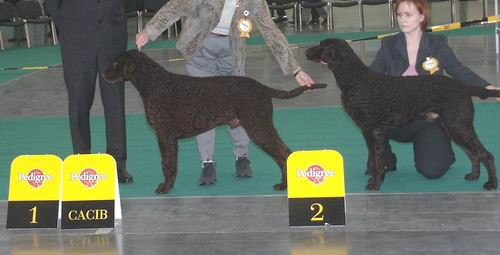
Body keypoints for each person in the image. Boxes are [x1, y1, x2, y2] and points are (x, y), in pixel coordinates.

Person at [136, 0, 315, 185]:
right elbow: (176, 6)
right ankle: (207, 163)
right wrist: (149, 31)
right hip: (200, 48)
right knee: (199, 108)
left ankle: (242, 157)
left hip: (232, 50)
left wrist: (295, 69)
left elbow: (270, 30)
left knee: (241, 108)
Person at [369, 0, 499, 179]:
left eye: (408, 14)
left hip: (427, 119)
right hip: (396, 118)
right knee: (370, 115)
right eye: (399, 15)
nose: (402, 19)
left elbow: (459, 70)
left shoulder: (437, 43)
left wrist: (488, 87)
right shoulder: (389, 44)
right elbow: (370, 77)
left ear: (422, 17)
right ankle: (385, 157)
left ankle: (443, 151)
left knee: (433, 170)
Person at [45, 0, 134, 183]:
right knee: (79, 101)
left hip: (112, 37)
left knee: (115, 103)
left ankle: (117, 164)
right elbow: (51, 4)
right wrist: (70, 25)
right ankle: (81, 160)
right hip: (76, 40)